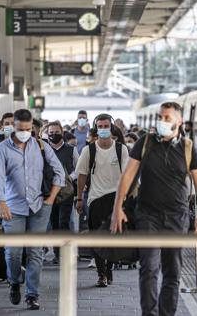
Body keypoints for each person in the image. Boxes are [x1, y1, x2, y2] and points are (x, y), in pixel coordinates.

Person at [110, 102, 197, 316]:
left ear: (179, 121)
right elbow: (126, 177)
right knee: (148, 268)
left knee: (172, 272)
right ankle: (149, 313)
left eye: (167, 117)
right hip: (148, 215)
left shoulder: (189, 148)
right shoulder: (144, 143)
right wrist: (117, 209)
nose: (162, 121)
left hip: (177, 217)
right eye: (160, 117)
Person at [0, 109, 65, 310]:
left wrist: (50, 199)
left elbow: (59, 172)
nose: (24, 132)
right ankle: (14, 281)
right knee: (12, 252)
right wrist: (1, 202)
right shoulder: (2, 149)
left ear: (32, 127)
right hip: (12, 207)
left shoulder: (41, 146)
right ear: (13, 126)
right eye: (20, 129)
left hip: (39, 206)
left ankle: (32, 294)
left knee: (35, 252)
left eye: (28, 129)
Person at [75, 114, 129, 287]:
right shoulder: (88, 150)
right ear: (96, 128)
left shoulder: (121, 150)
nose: (104, 129)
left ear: (111, 128)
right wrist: (79, 198)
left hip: (116, 199)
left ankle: (109, 268)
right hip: (95, 199)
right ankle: (101, 274)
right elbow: (82, 175)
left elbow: (128, 176)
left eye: (107, 126)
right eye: (101, 126)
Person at [47, 121, 79, 262]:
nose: (54, 135)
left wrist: (69, 178)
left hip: (66, 191)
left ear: (62, 132)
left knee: (63, 221)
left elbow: (77, 169)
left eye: (57, 132)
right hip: (50, 191)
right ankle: (56, 252)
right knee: (54, 222)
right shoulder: (45, 149)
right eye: (51, 133)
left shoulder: (71, 149)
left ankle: (64, 252)